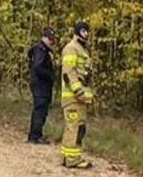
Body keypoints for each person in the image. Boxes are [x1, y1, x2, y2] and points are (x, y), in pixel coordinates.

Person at [60, 21, 95, 168]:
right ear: (77, 32)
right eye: (83, 31)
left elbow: (85, 75)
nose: (86, 34)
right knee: (73, 127)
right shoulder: (71, 48)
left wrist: (88, 96)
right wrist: (79, 92)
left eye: (87, 31)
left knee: (79, 127)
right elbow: (69, 73)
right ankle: (71, 159)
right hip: (73, 97)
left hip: (80, 99)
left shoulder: (82, 49)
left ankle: (72, 157)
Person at [27, 29, 57, 143]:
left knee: (40, 109)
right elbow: (38, 67)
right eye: (49, 39)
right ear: (43, 37)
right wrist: (50, 76)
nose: (51, 42)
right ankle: (35, 136)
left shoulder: (41, 50)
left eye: (52, 40)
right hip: (40, 85)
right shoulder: (41, 50)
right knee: (40, 110)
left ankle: (35, 135)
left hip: (40, 84)